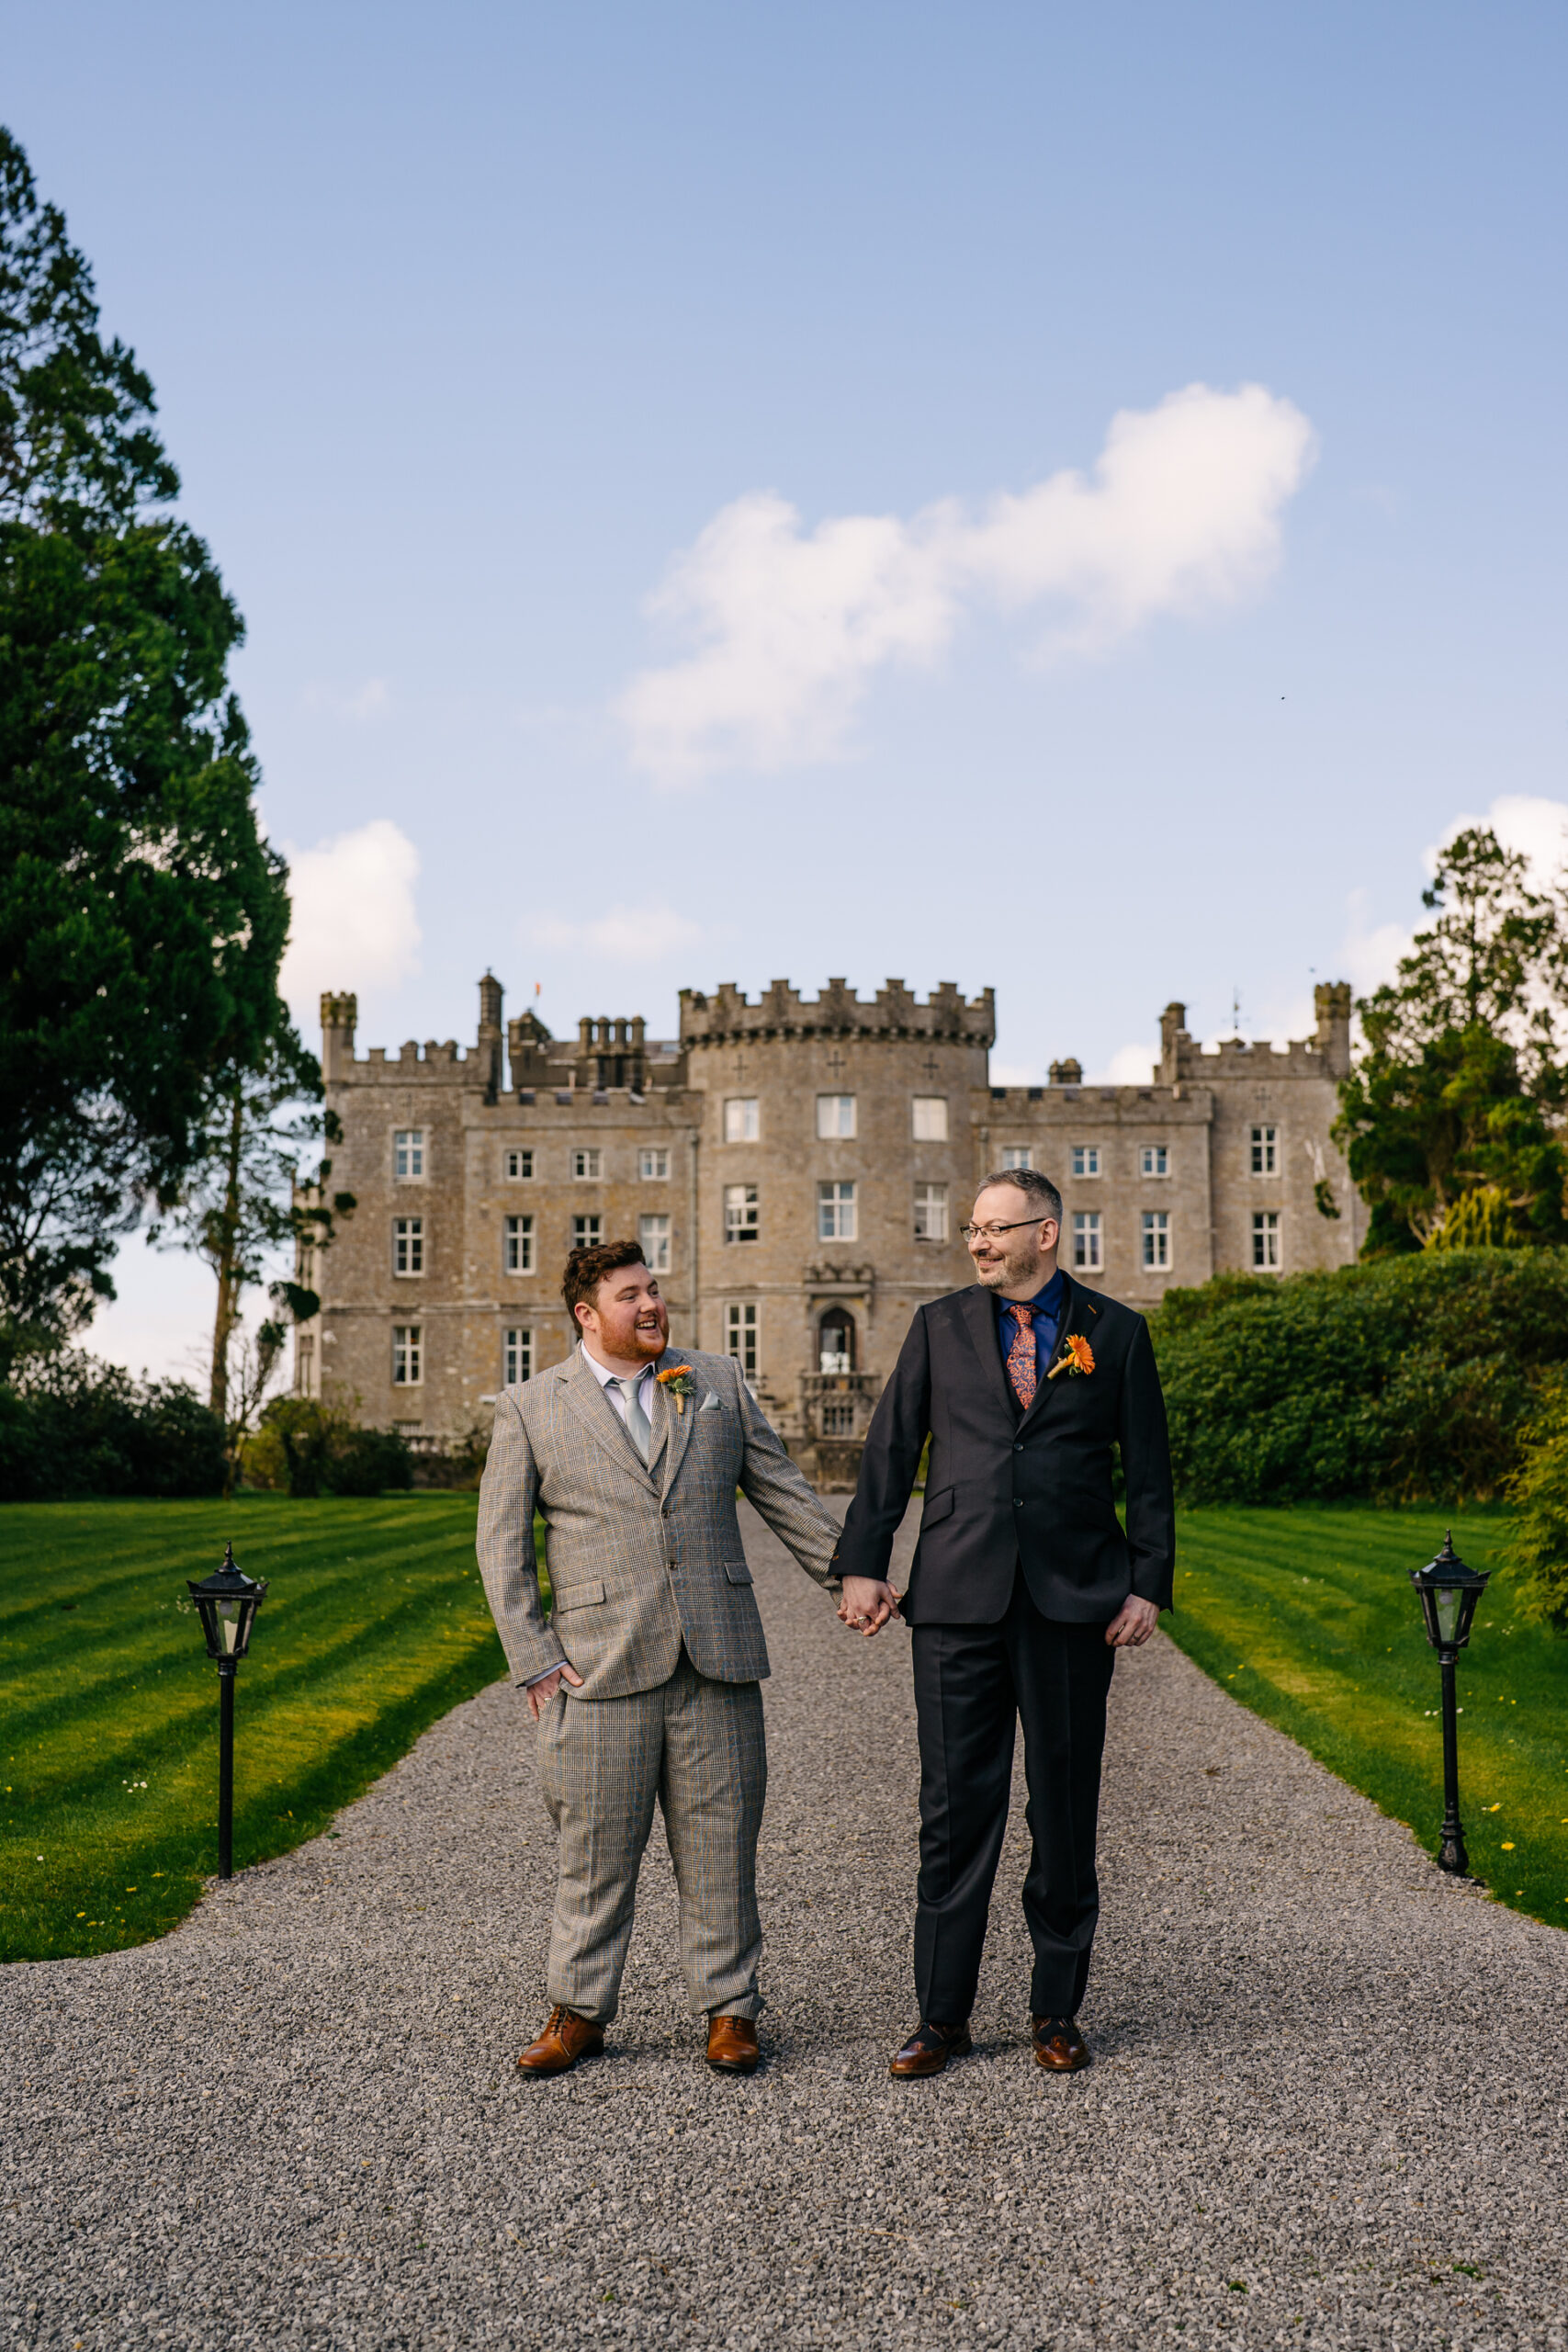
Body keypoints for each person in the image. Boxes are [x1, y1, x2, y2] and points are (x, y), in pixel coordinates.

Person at [477, 1238, 897, 2077]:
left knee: (722, 1849)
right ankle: (578, 2012)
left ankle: (731, 2011)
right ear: (586, 1316)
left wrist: (848, 1575)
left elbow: (781, 1489)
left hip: (718, 1655)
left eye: (655, 1289)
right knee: (594, 1858)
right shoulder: (531, 1406)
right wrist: (534, 1656)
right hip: (597, 1666)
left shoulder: (714, 1382)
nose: (651, 1305)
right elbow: (501, 1546)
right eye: (630, 1295)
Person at [832, 1166, 1175, 2079]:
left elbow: (1147, 1470)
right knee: (953, 1811)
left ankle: (1056, 2009)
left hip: (1073, 1600)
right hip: (956, 1597)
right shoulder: (939, 1327)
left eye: (995, 1228)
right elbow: (891, 1447)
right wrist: (865, 1561)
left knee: (1064, 1806)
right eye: (972, 1230)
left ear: (1046, 1233)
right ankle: (941, 2017)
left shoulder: (1117, 1335)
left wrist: (1147, 1582)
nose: (978, 1243)